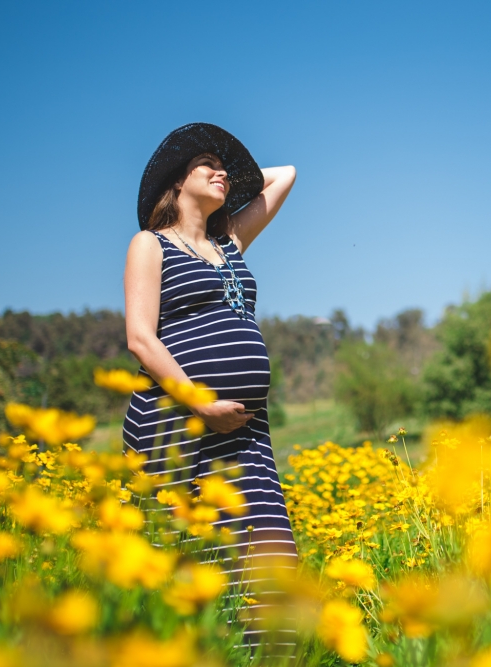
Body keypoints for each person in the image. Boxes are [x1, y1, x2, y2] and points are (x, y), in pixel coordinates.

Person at [122, 123, 298, 657]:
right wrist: (200, 402)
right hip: (174, 426)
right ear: (176, 183)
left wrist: (227, 178)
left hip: (245, 434)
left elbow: (284, 176)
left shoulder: (231, 241)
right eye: (207, 164)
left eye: (226, 167)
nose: (222, 171)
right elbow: (139, 337)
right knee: (181, 570)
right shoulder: (149, 245)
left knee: (274, 563)